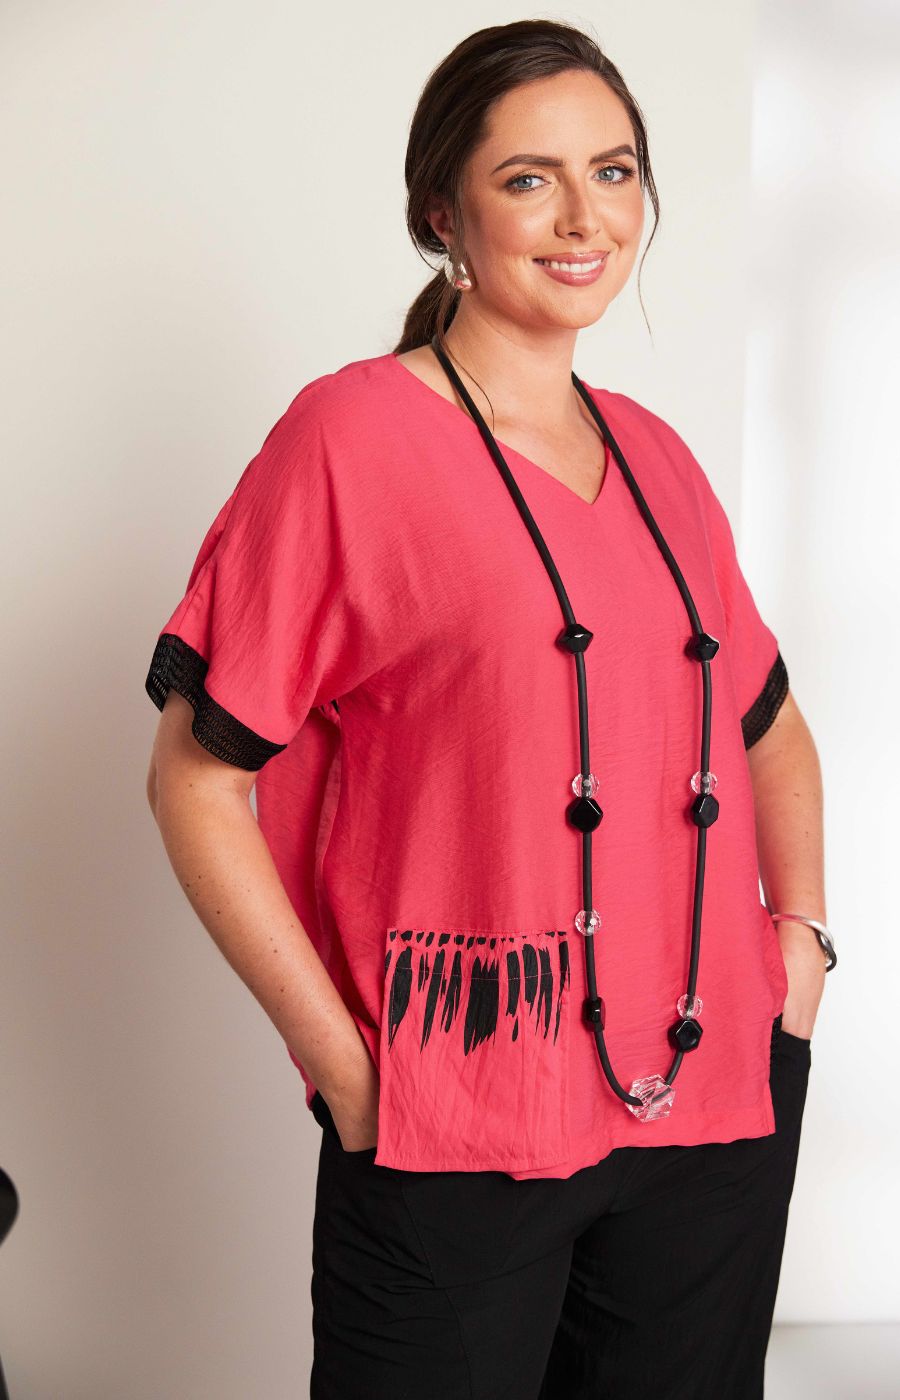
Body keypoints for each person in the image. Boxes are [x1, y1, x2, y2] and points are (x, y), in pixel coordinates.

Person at [144, 18, 832, 1399]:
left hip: (711, 1098)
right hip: (454, 1113)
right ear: (441, 217)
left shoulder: (659, 459)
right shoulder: (349, 438)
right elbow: (195, 778)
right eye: (530, 179)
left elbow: (767, 722)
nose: (585, 218)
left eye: (614, 170)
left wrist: (801, 950)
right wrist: (347, 1068)